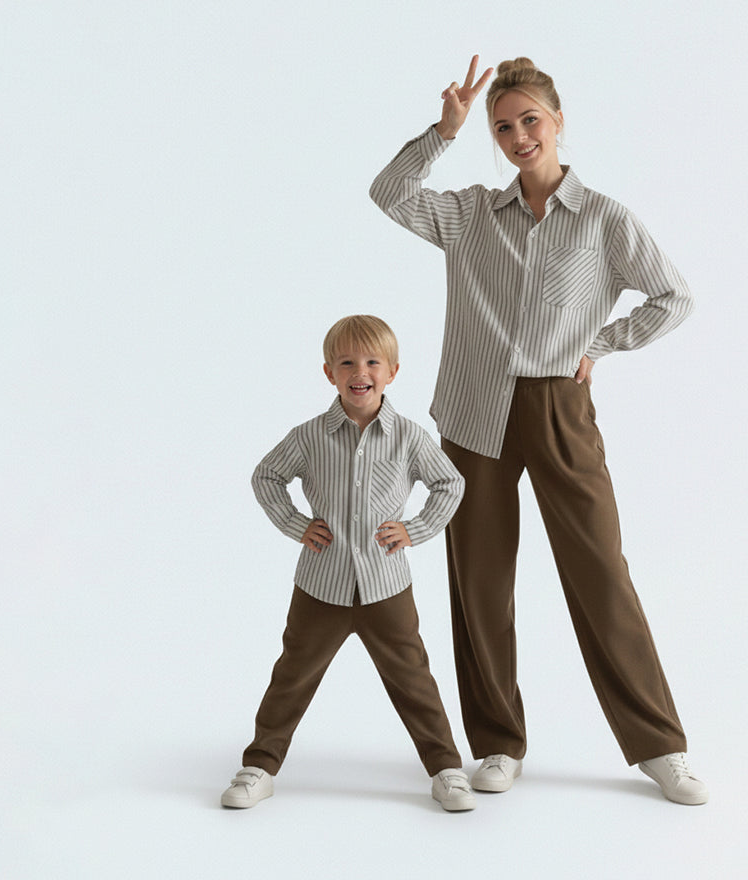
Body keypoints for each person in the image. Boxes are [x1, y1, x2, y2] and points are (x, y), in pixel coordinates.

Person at [369, 57, 708, 805]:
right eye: (503, 126)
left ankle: (660, 745)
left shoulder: (605, 219)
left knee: (601, 575)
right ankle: (495, 741)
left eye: (531, 120)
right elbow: (388, 193)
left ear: (557, 122)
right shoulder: (467, 215)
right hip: (472, 412)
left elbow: (672, 296)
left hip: (559, 407)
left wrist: (603, 344)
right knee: (479, 581)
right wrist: (444, 131)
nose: (518, 135)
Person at [220, 314, 475, 812]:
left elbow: (451, 483)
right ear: (329, 373)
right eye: (347, 362)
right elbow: (266, 476)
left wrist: (416, 529)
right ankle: (259, 766)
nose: (361, 371)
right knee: (292, 674)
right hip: (322, 584)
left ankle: (446, 769)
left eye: (372, 362)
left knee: (414, 679)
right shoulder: (310, 436)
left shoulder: (409, 436)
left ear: (392, 372)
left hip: (386, 585)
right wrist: (297, 525)